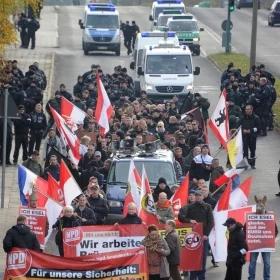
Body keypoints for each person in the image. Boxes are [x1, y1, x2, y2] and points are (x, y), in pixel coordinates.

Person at [178, 189, 214, 280]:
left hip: (204, 237)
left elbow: (211, 222)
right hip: (192, 237)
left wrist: (206, 234)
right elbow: (181, 217)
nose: (198, 197)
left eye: (200, 195)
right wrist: (189, 220)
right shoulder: (189, 207)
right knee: (193, 258)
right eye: (196, 195)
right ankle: (193, 277)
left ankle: (202, 277)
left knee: (203, 258)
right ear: (195, 196)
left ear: (203, 196)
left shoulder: (207, 207)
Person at [240, 104, 260, 169]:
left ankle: (252, 164)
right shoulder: (243, 118)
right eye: (246, 109)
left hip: (252, 137)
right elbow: (239, 126)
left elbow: (258, 127)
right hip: (245, 137)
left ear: (251, 109)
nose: (247, 111)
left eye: (248, 109)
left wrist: (250, 131)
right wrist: (242, 130)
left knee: (253, 151)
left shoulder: (256, 118)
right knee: (245, 152)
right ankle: (245, 165)